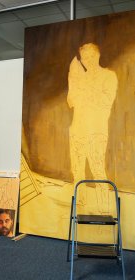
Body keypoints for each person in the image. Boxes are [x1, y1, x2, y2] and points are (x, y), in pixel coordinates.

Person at [67, 43, 117, 212]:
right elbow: (71, 101)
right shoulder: (79, 77)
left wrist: (85, 90)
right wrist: (74, 84)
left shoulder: (109, 76)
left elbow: (105, 102)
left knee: (97, 169)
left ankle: (105, 208)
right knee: (77, 171)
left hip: (96, 131)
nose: (87, 60)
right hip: (77, 130)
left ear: (98, 55)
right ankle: (80, 204)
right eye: (84, 58)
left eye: (90, 56)